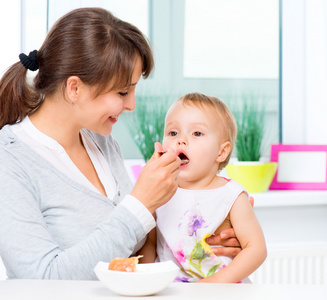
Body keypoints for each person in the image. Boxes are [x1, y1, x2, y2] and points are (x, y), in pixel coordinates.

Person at [0, 8, 239, 280]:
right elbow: (42, 279)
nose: (131, 105)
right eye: (123, 91)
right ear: (74, 88)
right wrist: (141, 203)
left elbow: (131, 253)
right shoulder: (9, 159)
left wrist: (201, 229)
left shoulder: (101, 142)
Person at [139, 92, 267, 283]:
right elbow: (150, 244)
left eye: (197, 133)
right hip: (173, 292)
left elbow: (256, 250)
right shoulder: (160, 191)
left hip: (222, 292)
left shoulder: (232, 195)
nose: (181, 140)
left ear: (221, 152)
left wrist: (211, 285)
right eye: (173, 133)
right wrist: (142, 281)